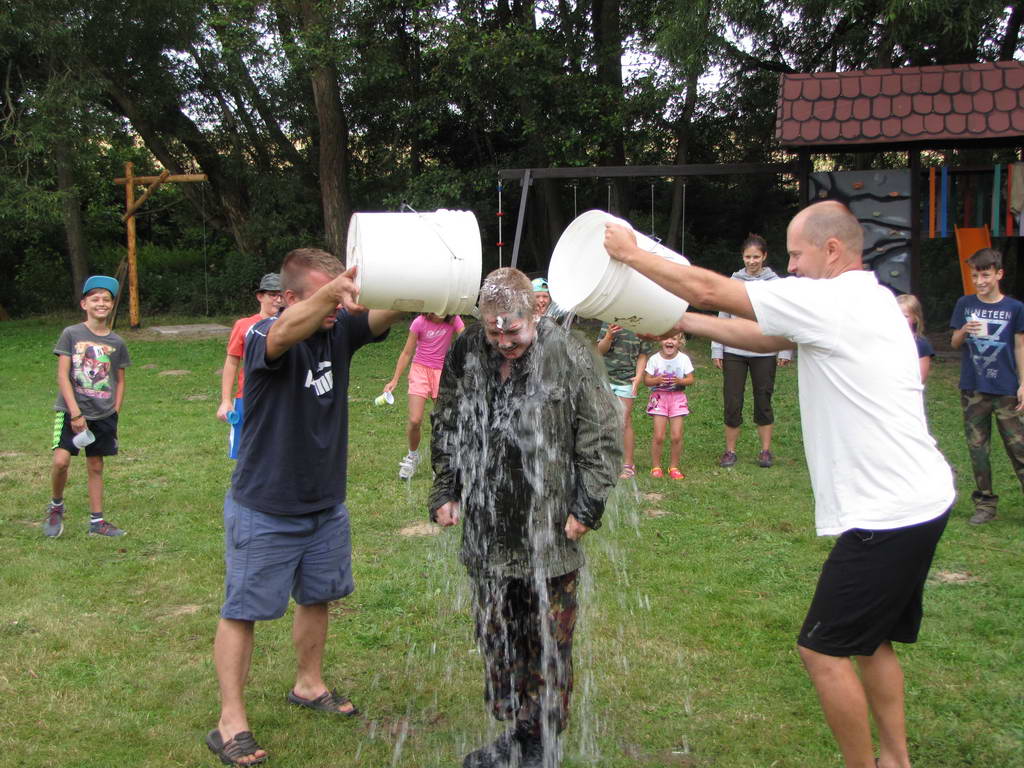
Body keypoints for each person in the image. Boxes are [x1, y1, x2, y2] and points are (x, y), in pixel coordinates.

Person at [605, 200, 954, 768]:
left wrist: (629, 253)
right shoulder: (871, 298)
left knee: (822, 650)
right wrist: (685, 324)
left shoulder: (831, 299)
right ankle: (895, 759)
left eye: (795, 254)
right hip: (920, 498)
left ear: (832, 250)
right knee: (872, 640)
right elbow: (770, 338)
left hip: (888, 513)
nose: (789, 267)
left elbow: (710, 288)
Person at [206, 248, 403, 768]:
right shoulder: (262, 335)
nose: (338, 305)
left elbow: (391, 310)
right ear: (289, 297)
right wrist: (331, 296)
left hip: (325, 503)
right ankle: (230, 721)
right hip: (265, 505)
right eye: (326, 295)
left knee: (318, 597)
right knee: (242, 610)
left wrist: (422, 286)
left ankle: (308, 684)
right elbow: (283, 334)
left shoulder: (338, 328)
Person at [429, 268, 620, 768]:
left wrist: (588, 504)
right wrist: (446, 486)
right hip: (488, 531)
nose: (503, 341)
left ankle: (543, 745)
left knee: (547, 644)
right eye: (494, 332)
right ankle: (518, 733)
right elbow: (448, 418)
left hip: (549, 530)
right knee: (498, 639)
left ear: (536, 309)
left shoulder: (569, 353)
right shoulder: (468, 349)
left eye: (512, 330)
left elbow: (601, 434)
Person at [43, 275, 132, 538]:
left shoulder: (117, 342)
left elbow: (120, 380)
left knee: (95, 466)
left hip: (103, 413)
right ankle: (56, 506)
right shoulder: (71, 334)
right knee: (61, 462)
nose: (101, 303)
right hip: (71, 411)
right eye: (95, 299)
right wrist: (75, 413)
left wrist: (114, 411)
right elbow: (63, 376)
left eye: (106, 299)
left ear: (112, 305)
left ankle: (97, 522)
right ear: (84, 304)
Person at [948, 247, 1024, 525]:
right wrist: (964, 331)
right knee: (978, 448)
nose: (979, 281)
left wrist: (1023, 383)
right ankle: (985, 503)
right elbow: (954, 343)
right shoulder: (965, 304)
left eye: (985, 275)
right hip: (973, 388)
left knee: (1019, 447)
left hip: (1005, 388)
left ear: (999, 274)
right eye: (975, 276)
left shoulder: (1015, 308)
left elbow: (1020, 346)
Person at [710, 234, 792, 468]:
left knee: (763, 400)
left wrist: (785, 350)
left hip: (764, 351)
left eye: (756, 257)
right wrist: (717, 348)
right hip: (734, 350)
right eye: (748, 257)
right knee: (732, 401)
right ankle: (730, 451)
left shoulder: (775, 284)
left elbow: (784, 317)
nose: (752, 261)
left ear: (764, 256)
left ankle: (765, 451)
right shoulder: (734, 281)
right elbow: (723, 314)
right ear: (742, 257)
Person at [383, 313, 466, 479]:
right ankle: (412, 456)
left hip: (442, 372)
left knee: (443, 421)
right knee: (415, 420)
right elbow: (407, 353)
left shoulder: (453, 319)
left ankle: (440, 461)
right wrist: (395, 379)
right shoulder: (419, 322)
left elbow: (466, 340)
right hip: (420, 370)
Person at [216, 273, 284, 458]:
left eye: (281, 295)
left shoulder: (290, 326)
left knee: (279, 454)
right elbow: (232, 362)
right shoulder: (244, 325)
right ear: (260, 296)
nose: (278, 300)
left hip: (281, 399)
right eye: (272, 295)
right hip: (248, 398)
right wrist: (226, 400)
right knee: (246, 454)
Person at [596, 322, 649, 478]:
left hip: (626, 381)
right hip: (605, 379)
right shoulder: (609, 322)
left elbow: (642, 355)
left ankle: (627, 464)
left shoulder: (642, 325)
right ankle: (604, 460)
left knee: (624, 422)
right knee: (604, 420)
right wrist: (608, 336)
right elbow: (600, 350)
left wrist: (639, 376)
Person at [643, 333, 694, 480]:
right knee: (659, 436)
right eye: (666, 338)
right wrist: (657, 380)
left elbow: (690, 379)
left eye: (673, 339)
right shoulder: (654, 359)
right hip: (659, 398)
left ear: (679, 342)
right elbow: (646, 381)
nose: (669, 341)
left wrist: (680, 381)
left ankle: (674, 467)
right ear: (660, 340)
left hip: (677, 399)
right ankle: (656, 467)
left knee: (676, 436)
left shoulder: (684, 359)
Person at [896, 294, 933, 384]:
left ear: (915, 318)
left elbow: (921, 379)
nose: (899, 319)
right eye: (896, 314)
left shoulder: (921, 344)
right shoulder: (883, 340)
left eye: (905, 316)